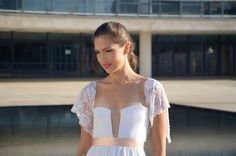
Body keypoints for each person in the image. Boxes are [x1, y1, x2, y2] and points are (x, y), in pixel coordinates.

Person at [71, 21, 171, 156]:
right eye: (98, 52)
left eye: (108, 50)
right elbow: (83, 148)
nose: (102, 58)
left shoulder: (151, 89)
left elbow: (159, 150)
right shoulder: (90, 92)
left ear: (126, 48)